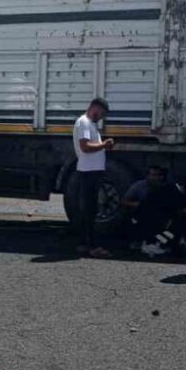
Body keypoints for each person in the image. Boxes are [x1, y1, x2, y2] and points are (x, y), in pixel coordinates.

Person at [73, 97, 114, 258]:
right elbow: (85, 147)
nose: (101, 117)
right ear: (94, 108)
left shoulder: (90, 124)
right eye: (101, 114)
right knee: (90, 210)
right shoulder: (84, 122)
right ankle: (92, 246)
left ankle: (84, 244)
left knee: (88, 210)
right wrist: (104, 145)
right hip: (89, 171)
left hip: (91, 171)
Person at [122, 165, 186, 257]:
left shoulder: (166, 188)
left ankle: (164, 243)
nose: (155, 177)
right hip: (141, 215)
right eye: (152, 175)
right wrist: (140, 205)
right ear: (147, 176)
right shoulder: (138, 186)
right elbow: (124, 201)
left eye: (158, 175)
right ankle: (148, 243)